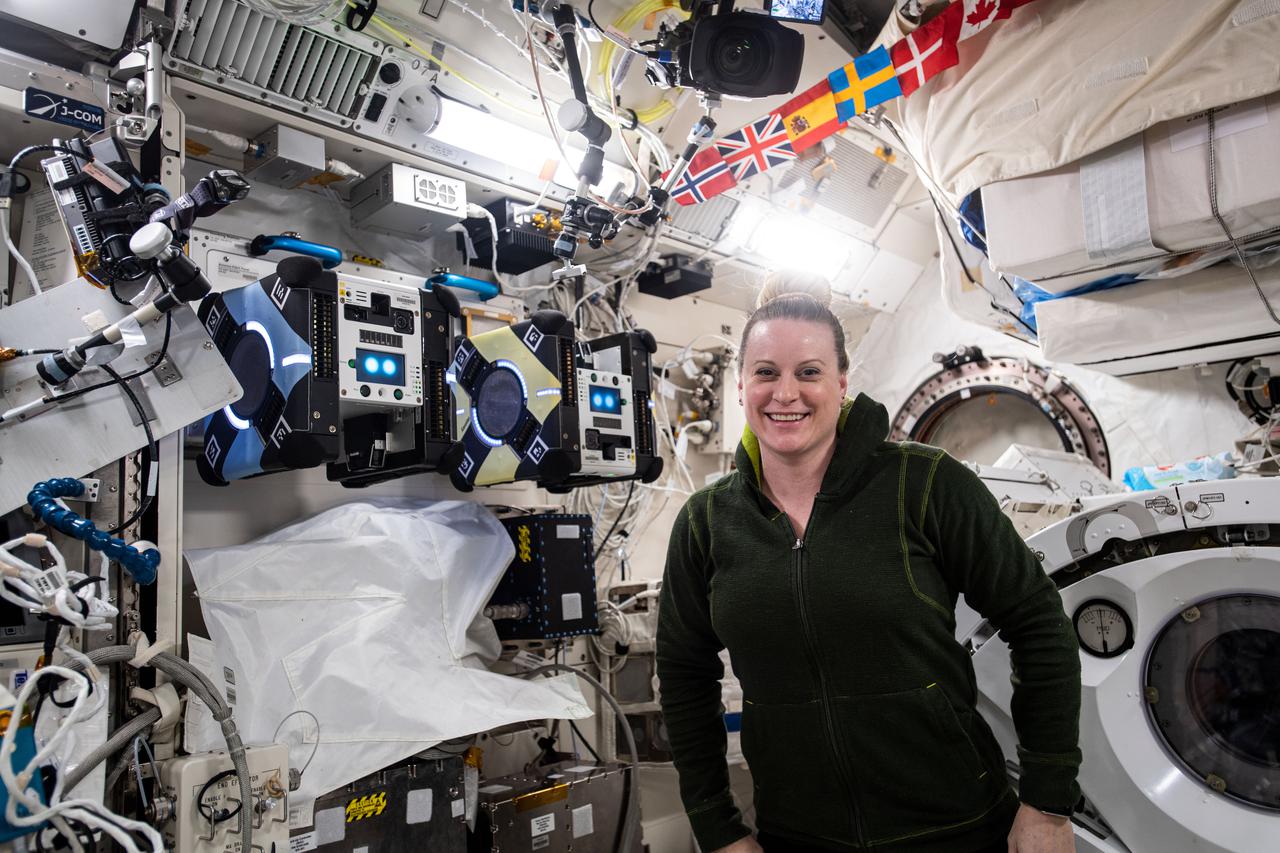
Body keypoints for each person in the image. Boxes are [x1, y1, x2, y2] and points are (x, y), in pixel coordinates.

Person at [656, 271, 1081, 853]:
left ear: (842, 382)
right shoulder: (706, 522)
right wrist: (718, 827)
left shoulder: (925, 483)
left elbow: (1039, 623)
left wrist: (1047, 803)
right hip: (798, 837)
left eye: (809, 372)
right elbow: (683, 677)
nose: (786, 394)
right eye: (766, 373)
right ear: (740, 386)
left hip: (957, 828)